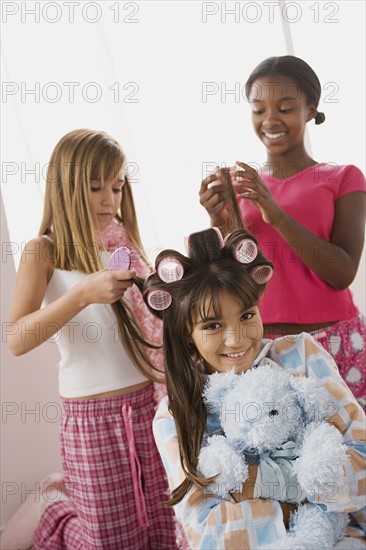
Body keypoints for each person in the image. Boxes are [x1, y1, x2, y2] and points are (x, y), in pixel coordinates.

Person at [2, 129, 180, 549]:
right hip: (91, 418)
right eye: (95, 187)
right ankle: (56, 514)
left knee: (162, 527)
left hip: (148, 408)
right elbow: (16, 339)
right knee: (107, 538)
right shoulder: (43, 251)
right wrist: (83, 294)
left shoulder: (127, 246)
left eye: (117, 187)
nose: (109, 200)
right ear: (64, 188)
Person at [143, 226, 366, 549]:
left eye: (247, 315)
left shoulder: (301, 356)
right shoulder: (174, 416)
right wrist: (314, 493)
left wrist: (260, 482)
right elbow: (212, 533)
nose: (236, 338)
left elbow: (362, 466)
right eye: (213, 325)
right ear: (186, 334)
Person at [199, 55, 366, 406]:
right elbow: (236, 280)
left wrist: (275, 214)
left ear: (310, 108)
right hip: (263, 348)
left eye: (285, 107)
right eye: (258, 109)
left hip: (334, 339)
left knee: (353, 449)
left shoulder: (344, 177)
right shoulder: (242, 190)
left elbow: (343, 273)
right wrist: (221, 225)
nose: (270, 120)